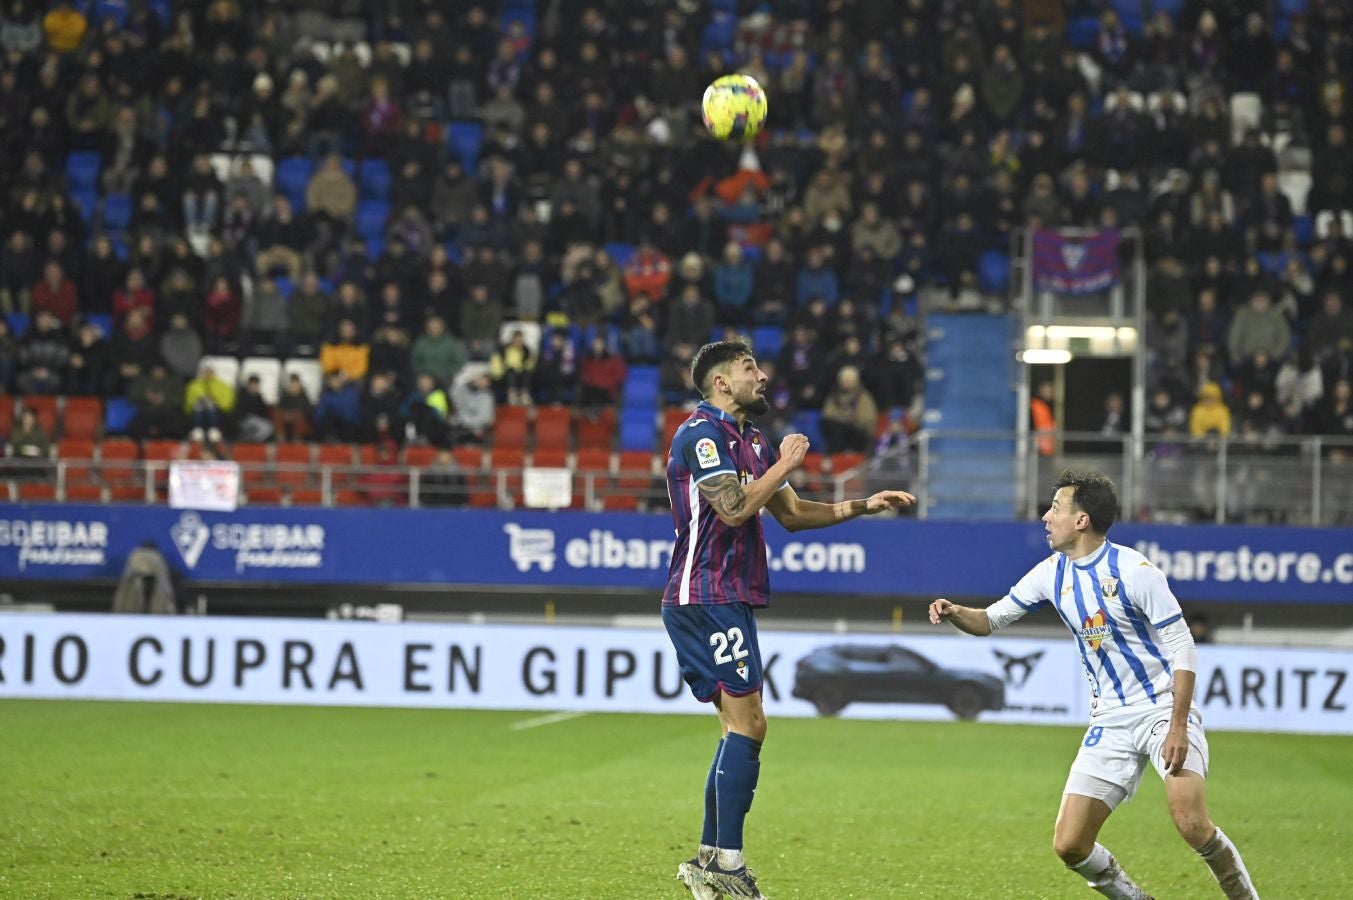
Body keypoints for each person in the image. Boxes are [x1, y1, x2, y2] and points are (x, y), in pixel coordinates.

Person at [927, 470, 1258, 900]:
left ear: (1081, 520)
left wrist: (1178, 725)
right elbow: (991, 620)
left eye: (1055, 508)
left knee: (1192, 823)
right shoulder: (1050, 572)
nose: (1046, 517)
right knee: (1070, 844)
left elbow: (1183, 645)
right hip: (1110, 718)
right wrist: (954, 611)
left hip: (1161, 708)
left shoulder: (1135, 571)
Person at [666, 340, 915, 899]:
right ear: (722, 383)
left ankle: (708, 860)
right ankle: (727, 868)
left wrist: (861, 506)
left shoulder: (751, 441)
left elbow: (794, 513)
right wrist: (787, 460)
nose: (762, 375)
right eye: (749, 368)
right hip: (705, 591)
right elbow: (731, 510)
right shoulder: (701, 434)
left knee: (735, 727)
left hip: (726, 592)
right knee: (751, 724)